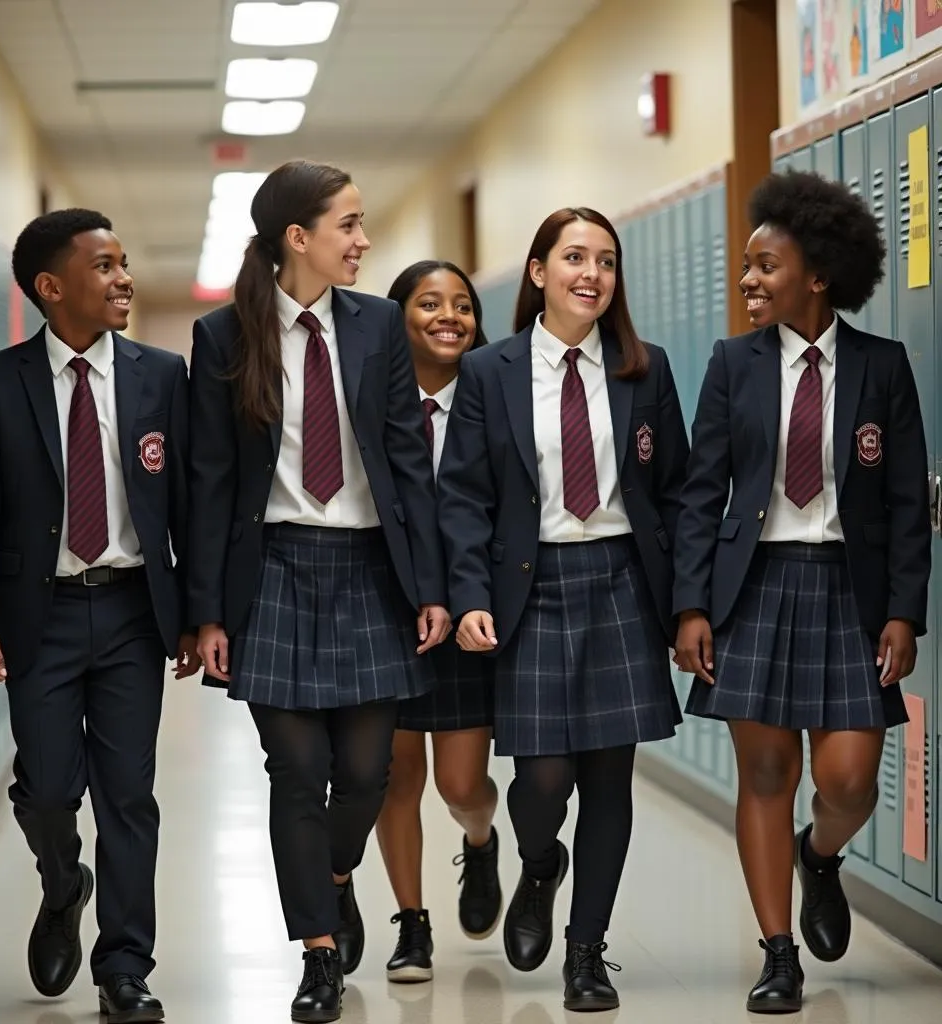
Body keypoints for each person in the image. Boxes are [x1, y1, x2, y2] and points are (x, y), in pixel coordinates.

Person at [188, 160, 451, 1024]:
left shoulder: (378, 326)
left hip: (373, 569)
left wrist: (432, 585)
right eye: (348, 224)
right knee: (297, 771)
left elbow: (410, 461)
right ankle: (318, 955)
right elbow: (212, 480)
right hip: (274, 574)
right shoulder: (226, 337)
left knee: (368, 774)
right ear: (297, 238)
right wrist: (209, 612)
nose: (363, 240)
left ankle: (335, 874)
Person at [673, 169, 931, 1014]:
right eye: (745, 267)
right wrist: (692, 607)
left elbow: (902, 504)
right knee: (768, 769)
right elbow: (700, 491)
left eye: (765, 266)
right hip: (754, 588)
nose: (748, 280)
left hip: (848, 593)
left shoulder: (882, 367)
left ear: (817, 274)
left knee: (851, 779)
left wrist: (903, 610)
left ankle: (818, 856)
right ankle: (778, 953)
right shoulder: (730, 365)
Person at [0, 209, 199, 1023]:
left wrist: (198, 613)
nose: (124, 277)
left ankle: (124, 967)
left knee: (128, 795)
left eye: (125, 262)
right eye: (104, 266)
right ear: (53, 288)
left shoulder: (162, 375)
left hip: (132, 610)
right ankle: (64, 885)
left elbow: (187, 505)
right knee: (52, 790)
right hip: (40, 616)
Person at [436, 207, 688, 1013]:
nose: (592, 273)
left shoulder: (645, 369)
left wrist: (686, 605)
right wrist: (470, 596)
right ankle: (539, 864)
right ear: (539, 271)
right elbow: (464, 498)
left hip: (620, 582)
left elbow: (677, 494)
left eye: (606, 261)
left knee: (610, 781)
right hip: (531, 586)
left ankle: (587, 955)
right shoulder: (491, 371)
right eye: (574, 257)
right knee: (542, 780)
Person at [374, 260, 500, 984]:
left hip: (469, 614)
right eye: (428, 303)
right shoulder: (376, 404)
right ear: (397, 320)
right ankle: (412, 924)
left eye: (462, 305)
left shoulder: (495, 397)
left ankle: (479, 840)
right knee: (397, 776)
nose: (449, 316)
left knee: (459, 784)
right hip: (390, 607)